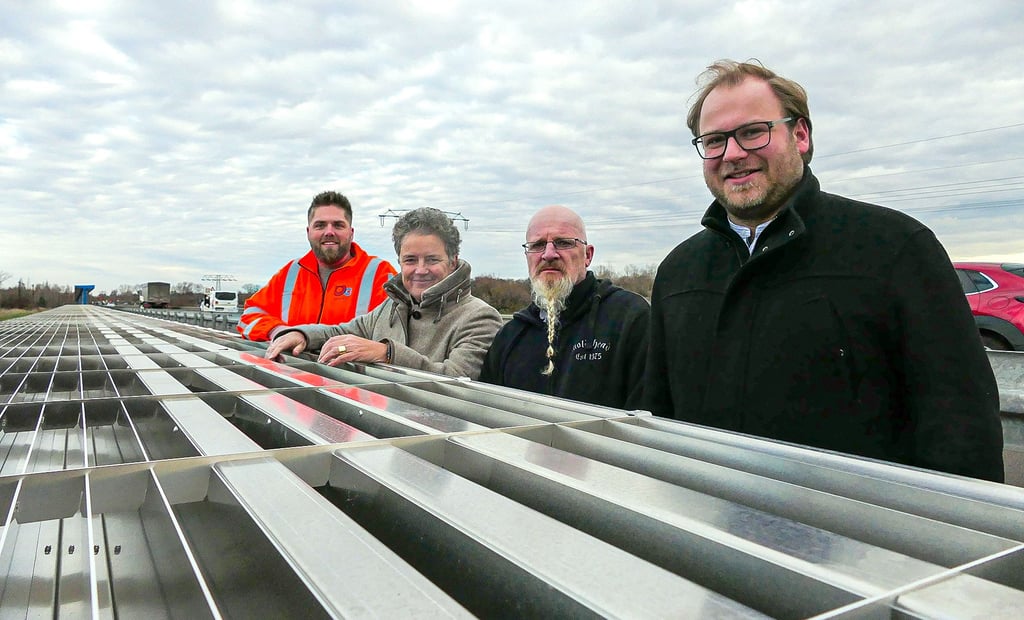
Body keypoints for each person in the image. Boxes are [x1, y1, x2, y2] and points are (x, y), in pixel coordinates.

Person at [645, 59, 1004, 481]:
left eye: (753, 132)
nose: (733, 154)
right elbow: (659, 420)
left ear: (800, 135)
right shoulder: (678, 273)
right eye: (714, 140)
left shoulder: (894, 248)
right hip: (706, 529)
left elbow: (961, 425)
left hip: (861, 537)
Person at [265, 207, 502, 379]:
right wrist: (302, 336)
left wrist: (387, 353)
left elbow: (460, 381)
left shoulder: (479, 317)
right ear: (399, 261)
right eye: (410, 260)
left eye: (432, 260)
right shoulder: (392, 307)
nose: (420, 270)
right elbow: (342, 332)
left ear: (453, 261)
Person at [478, 205, 650, 409]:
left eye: (563, 243)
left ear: (588, 255)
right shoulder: (510, 336)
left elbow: (647, 418)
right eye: (537, 245)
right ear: (528, 256)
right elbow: (486, 415)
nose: (549, 254)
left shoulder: (629, 318)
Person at [237, 191, 397, 342]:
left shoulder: (380, 275)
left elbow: (395, 336)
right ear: (308, 232)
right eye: (320, 225)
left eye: (338, 225)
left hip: (354, 371)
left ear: (351, 232)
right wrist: (278, 332)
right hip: (290, 369)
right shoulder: (290, 273)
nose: (329, 232)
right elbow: (250, 315)